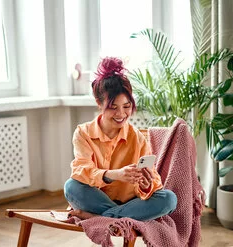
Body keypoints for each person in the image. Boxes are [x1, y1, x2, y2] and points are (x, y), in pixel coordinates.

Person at [64, 57, 177, 221]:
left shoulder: (137, 138)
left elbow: (153, 181)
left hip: (131, 202)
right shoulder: (83, 133)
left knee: (169, 199)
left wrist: (146, 185)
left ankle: (98, 218)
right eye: (113, 107)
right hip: (97, 200)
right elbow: (81, 171)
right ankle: (119, 216)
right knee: (71, 186)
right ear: (99, 103)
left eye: (126, 106)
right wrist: (114, 175)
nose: (121, 114)